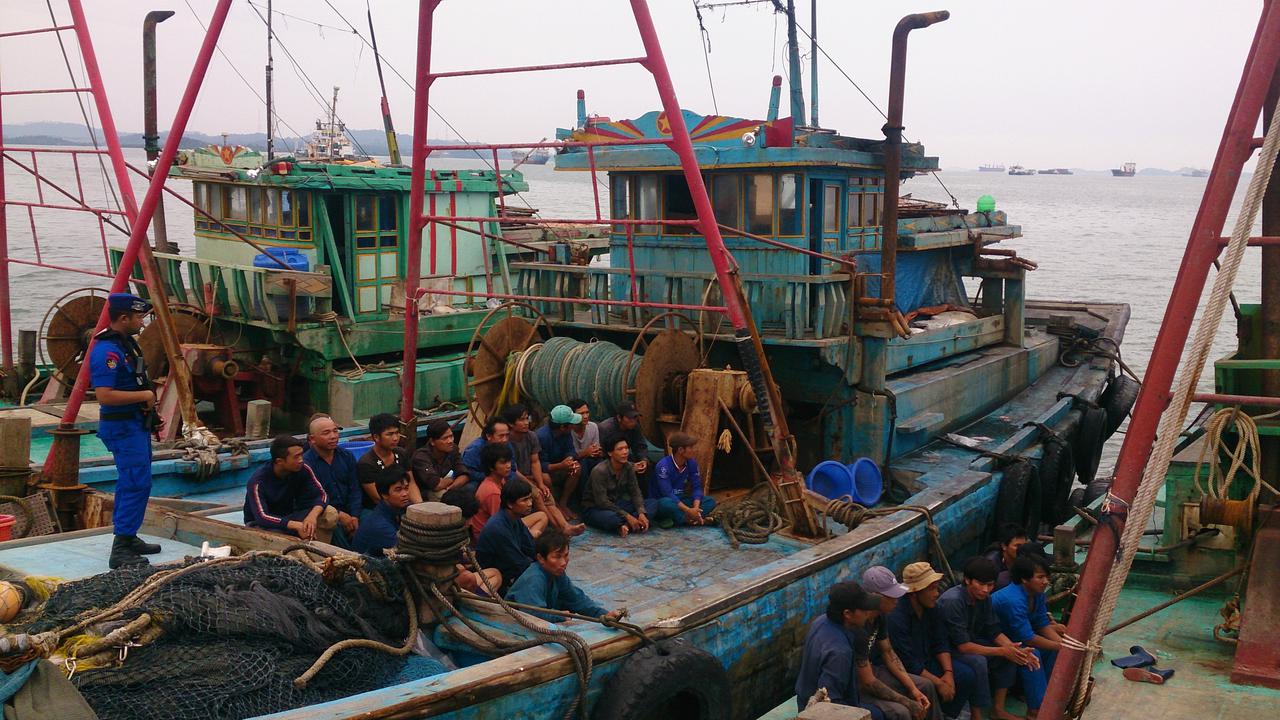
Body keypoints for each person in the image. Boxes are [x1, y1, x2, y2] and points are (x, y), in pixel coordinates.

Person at [90, 292, 161, 569]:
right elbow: (105, 395)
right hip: (121, 428)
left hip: (135, 425)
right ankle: (120, 548)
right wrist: (144, 397)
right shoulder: (107, 352)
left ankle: (128, 535)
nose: (142, 323)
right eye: (139, 317)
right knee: (134, 481)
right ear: (123, 318)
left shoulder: (125, 345)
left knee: (138, 481)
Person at [936, 556, 1039, 720]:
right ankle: (976, 715)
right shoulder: (953, 602)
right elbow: (963, 646)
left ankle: (998, 710)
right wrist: (1002, 651)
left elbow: (994, 630)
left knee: (1010, 654)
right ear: (968, 580)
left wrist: (1014, 649)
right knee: (978, 662)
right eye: (981, 584)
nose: (985, 589)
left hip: (970, 642)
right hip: (949, 649)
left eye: (990, 585)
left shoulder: (985, 599)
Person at [887, 563, 978, 720]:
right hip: (908, 669)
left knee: (966, 675)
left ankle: (947, 714)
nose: (936, 594)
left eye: (936, 588)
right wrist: (938, 682)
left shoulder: (932, 607)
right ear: (914, 593)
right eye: (931, 589)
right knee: (928, 685)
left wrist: (948, 674)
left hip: (928, 661)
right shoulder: (897, 617)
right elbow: (908, 662)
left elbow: (940, 641)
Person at [794, 581, 887, 719]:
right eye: (864, 610)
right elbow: (830, 704)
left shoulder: (821, 621)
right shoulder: (840, 653)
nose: (868, 613)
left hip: (804, 697)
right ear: (848, 614)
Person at [861, 566, 939, 720]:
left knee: (925, 686)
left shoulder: (881, 615)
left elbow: (888, 653)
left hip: (873, 670)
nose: (896, 600)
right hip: (859, 680)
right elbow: (867, 681)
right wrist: (907, 701)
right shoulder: (858, 624)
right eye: (891, 596)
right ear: (874, 597)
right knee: (901, 711)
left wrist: (913, 689)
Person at [991, 554, 1061, 718]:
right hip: (994, 640)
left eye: (1047, 577)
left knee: (1054, 650)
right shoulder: (1012, 600)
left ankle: (1047, 697)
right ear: (1024, 579)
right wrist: (1061, 645)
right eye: (1040, 577)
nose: (1045, 582)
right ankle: (1036, 710)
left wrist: (1062, 644)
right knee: (1032, 654)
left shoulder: (1037, 594)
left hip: (1016, 638)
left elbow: (1042, 623)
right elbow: (1029, 638)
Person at [507, 529, 622, 623]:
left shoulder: (557, 573)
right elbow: (534, 615)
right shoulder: (533, 579)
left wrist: (604, 614)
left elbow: (576, 599)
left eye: (566, 555)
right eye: (557, 557)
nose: (563, 562)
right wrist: (560, 617)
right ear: (541, 558)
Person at [502, 405, 581, 535]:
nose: (526, 422)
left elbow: (535, 461)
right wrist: (534, 485)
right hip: (515, 478)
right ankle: (559, 529)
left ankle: (565, 526)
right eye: (522, 420)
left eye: (527, 418)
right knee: (538, 496)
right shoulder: (507, 442)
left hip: (529, 475)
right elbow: (513, 470)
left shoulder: (531, 436)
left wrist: (540, 484)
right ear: (511, 423)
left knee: (546, 493)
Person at [244, 435, 338, 542]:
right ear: (279, 461)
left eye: (301, 455)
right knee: (276, 536)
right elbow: (262, 517)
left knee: (330, 512)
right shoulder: (257, 482)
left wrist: (312, 517)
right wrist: (295, 525)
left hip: (291, 515)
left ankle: (317, 550)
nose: (301, 460)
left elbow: (322, 495)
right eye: (296, 457)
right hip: (265, 524)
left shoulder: (304, 468)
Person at [476, 477, 543, 595]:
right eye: (524, 500)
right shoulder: (498, 528)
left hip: (508, 568)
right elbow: (518, 562)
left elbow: (530, 546)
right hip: (499, 576)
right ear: (510, 504)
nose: (530, 504)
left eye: (530, 499)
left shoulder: (515, 519)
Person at [302, 414, 361, 548]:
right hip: (326, 514)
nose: (333, 436)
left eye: (335, 431)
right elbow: (312, 498)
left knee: (372, 521)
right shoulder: (306, 464)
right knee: (335, 530)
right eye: (326, 433)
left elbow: (355, 489)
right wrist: (340, 516)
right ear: (312, 439)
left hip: (351, 512)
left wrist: (355, 515)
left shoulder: (346, 456)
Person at [470, 442, 548, 541]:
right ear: (491, 467)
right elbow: (498, 523)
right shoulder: (492, 492)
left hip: (502, 526)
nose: (508, 466)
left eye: (509, 461)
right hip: (489, 537)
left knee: (541, 516)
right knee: (540, 520)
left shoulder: (501, 480)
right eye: (503, 463)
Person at [581, 435, 654, 536]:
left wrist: (641, 512)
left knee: (652, 503)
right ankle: (628, 523)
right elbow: (602, 502)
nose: (625, 452)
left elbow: (635, 492)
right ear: (610, 453)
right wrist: (627, 516)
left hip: (616, 504)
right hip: (596, 508)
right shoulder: (599, 471)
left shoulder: (628, 466)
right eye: (620, 449)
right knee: (612, 519)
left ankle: (627, 525)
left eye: (626, 448)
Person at [649, 432, 716, 528]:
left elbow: (697, 487)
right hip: (664, 501)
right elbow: (668, 493)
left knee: (710, 501)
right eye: (691, 447)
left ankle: (686, 518)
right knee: (665, 504)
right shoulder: (663, 466)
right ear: (680, 450)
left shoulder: (691, 463)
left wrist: (695, 508)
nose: (694, 450)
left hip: (681, 500)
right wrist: (688, 510)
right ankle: (688, 519)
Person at [357, 413, 421, 508]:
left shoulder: (401, 453)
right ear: (376, 437)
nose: (395, 438)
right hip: (377, 509)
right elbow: (378, 498)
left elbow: (411, 483)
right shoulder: (366, 463)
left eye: (397, 433)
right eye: (389, 434)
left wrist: (419, 507)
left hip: (404, 503)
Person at [536, 405, 583, 516]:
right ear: (563, 427)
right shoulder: (541, 437)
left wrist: (570, 459)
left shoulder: (566, 434)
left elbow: (571, 450)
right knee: (545, 478)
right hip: (546, 470)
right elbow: (540, 464)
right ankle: (554, 505)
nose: (573, 426)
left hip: (561, 467)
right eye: (571, 424)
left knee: (577, 468)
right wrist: (560, 466)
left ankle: (563, 503)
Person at [351, 474, 412, 555]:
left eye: (406, 488)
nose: (405, 494)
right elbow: (406, 552)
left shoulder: (401, 509)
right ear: (384, 495)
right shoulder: (380, 525)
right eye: (398, 490)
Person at [411, 420, 471, 501]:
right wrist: (454, 478)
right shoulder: (421, 457)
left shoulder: (453, 449)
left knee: (470, 488)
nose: (450, 441)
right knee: (443, 496)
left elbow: (464, 475)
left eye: (451, 436)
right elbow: (436, 485)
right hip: (425, 492)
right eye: (445, 438)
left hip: (447, 487)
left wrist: (450, 487)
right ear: (432, 442)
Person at [596, 402, 649, 480]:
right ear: (619, 418)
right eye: (630, 418)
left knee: (646, 468)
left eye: (635, 417)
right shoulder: (606, 429)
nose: (634, 421)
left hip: (624, 457)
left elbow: (640, 446)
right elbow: (603, 454)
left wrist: (643, 460)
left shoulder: (635, 427)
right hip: (609, 461)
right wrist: (628, 466)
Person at [566, 398, 603, 488]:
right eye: (581, 414)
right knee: (582, 464)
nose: (585, 416)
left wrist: (597, 451)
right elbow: (569, 456)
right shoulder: (568, 431)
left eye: (587, 412)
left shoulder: (593, 427)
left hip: (590, 459)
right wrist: (585, 452)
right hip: (575, 462)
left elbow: (595, 447)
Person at [986, 524, 1029, 590]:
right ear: (1004, 546)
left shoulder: (1027, 558)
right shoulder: (990, 565)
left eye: (1024, 545)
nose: (1022, 549)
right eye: (1017, 546)